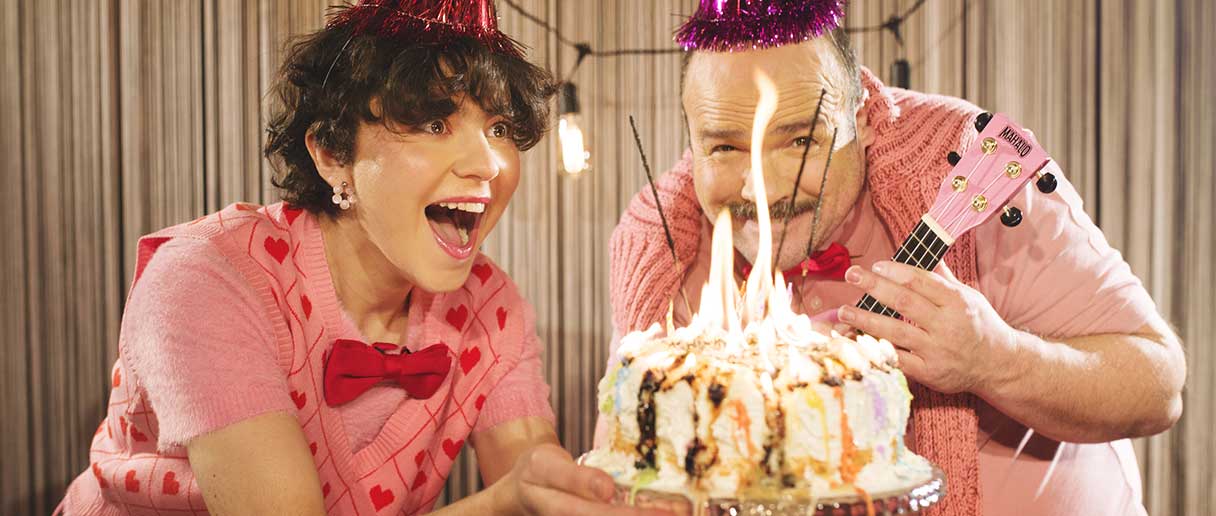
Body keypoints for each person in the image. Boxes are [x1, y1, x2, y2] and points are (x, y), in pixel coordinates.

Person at [58, 1, 662, 514]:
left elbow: (535, 466)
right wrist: (504, 501)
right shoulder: (206, 279)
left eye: (501, 127)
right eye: (433, 122)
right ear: (330, 153)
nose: (488, 165)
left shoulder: (488, 302)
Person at [604, 1, 1186, 515]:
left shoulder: (966, 168)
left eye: (802, 140)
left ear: (858, 115)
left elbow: (1157, 386)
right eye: (725, 145)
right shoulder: (659, 242)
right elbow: (627, 450)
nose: (765, 188)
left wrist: (996, 360)